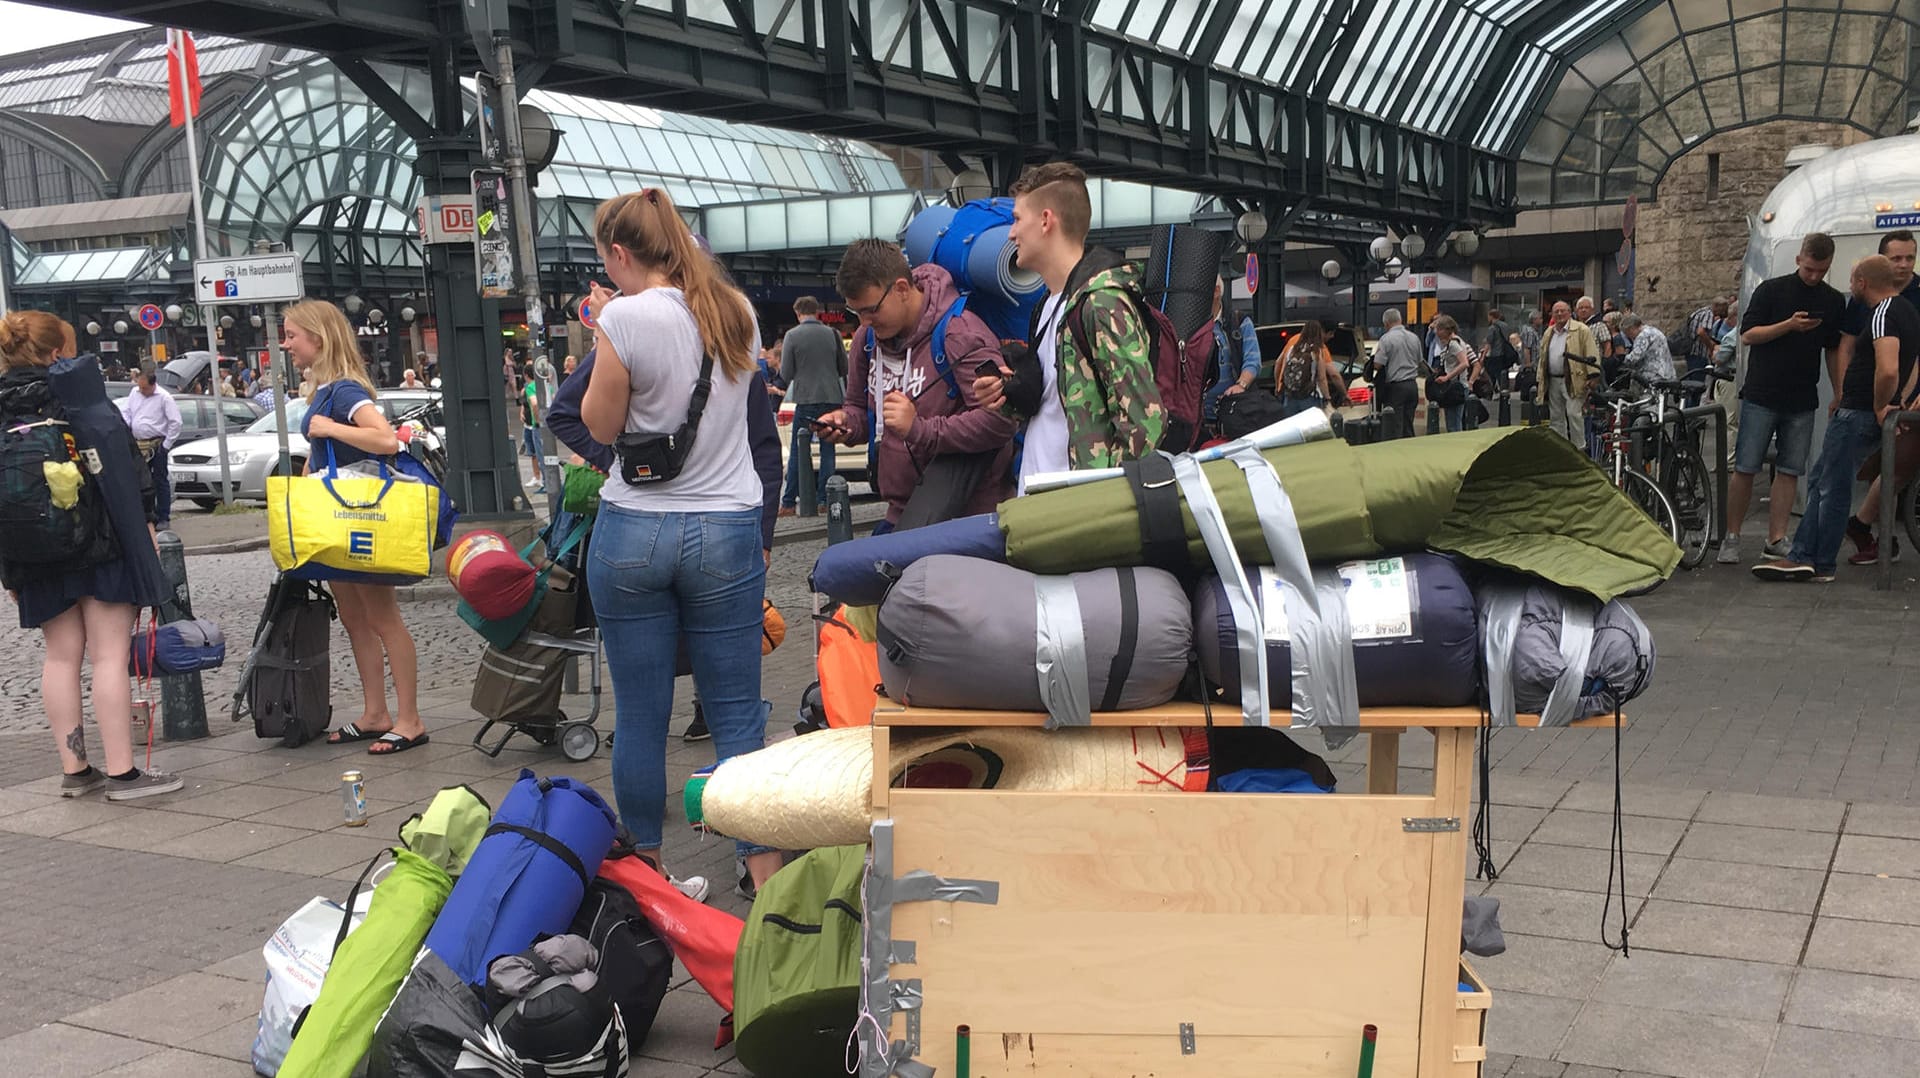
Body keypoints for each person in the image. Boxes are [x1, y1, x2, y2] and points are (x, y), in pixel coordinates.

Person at [577, 187, 782, 900]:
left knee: (640, 712)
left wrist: (605, 333)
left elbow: (600, 426)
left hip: (634, 528)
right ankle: (767, 878)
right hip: (727, 526)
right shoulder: (737, 313)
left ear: (621, 253)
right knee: (735, 711)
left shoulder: (624, 316)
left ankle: (651, 879)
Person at [0, 313, 181, 801]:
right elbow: (126, 465)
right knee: (108, 655)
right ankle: (123, 773)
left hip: (33, 550)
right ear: (57, 353)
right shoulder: (78, 393)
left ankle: (75, 769)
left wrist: (9, 563)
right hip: (101, 543)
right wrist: (144, 529)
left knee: (59, 657)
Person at [280, 301, 427, 756]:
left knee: (382, 618)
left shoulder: (343, 392)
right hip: (338, 515)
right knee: (354, 618)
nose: (286, 346)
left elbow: (385, 439)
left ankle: (409, 720)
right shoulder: (324, 391)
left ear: (318, 340)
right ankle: (375, 713)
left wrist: (328, 428)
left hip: (362, 516)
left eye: (291, 337)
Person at [973, 161, 1162, 487]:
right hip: (1044, 503)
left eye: (1017, 219)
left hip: (1077, 514)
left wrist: (1099, 501)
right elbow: (1055, 409)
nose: (1011, 232)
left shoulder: (1101, 303)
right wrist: (1006, 397)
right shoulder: (1048, 306)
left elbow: (1145, 422)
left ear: (1046, 221)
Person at [816, 239, 1016, 529]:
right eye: (856, 312)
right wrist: (845, 423)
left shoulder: (961, 334)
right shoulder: (867, 341)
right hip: (902, 514)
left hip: (965, 516)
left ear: (900, 288)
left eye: (871, 310)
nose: (864, 322)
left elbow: (1001, 423)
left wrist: (919, 429)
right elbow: (859, 409)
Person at [1754, 255, 1920, 583]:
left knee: (1830, 486)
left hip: (1858, 411)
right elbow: (1911, 365)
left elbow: (1888, 368)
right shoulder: (1907, 312)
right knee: (1823, 481)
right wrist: (1898, 401)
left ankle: (1812, 558)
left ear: (1862, 283)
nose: (1849, 287)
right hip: (1865, 410)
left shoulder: (1883, 314)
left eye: (1852, 280)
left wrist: (1880, 403)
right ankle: (1810, 555)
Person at [1717, 233, 1847, 565]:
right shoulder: (1772, 290)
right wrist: (1788, 325)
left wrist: (1839, 390)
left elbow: (1832, 348)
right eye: (1809, 270)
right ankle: (1732, 535)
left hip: (1803, 395)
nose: (1814, 277)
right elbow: (1748, 334)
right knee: (1746, 466)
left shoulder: (1832, 300)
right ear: (1798, 260)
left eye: (1821, 271)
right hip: (1763, 391)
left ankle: (1776, 537)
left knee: (1790, 469)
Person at [1838, 230, 1920, 564]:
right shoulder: (1865, 296)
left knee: (1898, 466)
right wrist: (1844, 391)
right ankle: (1865, 527)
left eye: (1909, 258)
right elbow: (1846, 344)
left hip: (1908, 395)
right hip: (1876, 399)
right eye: (1895, 258)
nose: (1903, 265)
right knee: (1893, 466)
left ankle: (1864, 525)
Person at [778, 296, 847, 515]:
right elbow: (843, 368)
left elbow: (786, 372)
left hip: (806, 398)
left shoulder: (792, 336)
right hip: (832, 397)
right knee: (828, 450)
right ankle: (825, 501)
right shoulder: (833, 334)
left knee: (800, 450)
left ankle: (789, 502)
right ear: (817, 312)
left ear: (797, 313)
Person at [116, 362, 181, 530]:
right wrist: (128, 426)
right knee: (141, 482)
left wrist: (166, 445)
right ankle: (146, 514)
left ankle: (163, 516)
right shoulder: (135, 393)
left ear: (153, 385)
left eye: (145, 388)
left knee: (160, 480)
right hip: (138, 443)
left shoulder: (164, 397)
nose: (141, 391)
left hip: (156, 443)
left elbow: (175, 422)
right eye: (140, 387)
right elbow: (127, 412)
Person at [1537, 301, 1599, 445]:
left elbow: (1591, 351)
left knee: (1574, 414)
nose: (1559, 314)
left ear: (1570, 313)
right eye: (1556, 311)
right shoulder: (1549, 332)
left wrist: (1593, 375)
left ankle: (1579, 449)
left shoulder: (1581, 330)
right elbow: (1543, 356)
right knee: (1556, 417)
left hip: (1574, 379)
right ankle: (1561, 448)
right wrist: (1540, 377)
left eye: (1562, 311)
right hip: (1553, 379)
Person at [1203, 279, 1261, 423]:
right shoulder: (1190, 325)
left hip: (1234, 411)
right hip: (1199, 416)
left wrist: (1240, 385)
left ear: (1216, 291)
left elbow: (1253, 361)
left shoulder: (1239, 321)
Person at [1372, 309, 1423, 438]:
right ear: (1401, 320)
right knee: (1408, 423)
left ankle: (1398, 454)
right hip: (1412, 385)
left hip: (1396, 387)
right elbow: (1419, 360)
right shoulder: (1414, 337)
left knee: (1396, 426)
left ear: (1386, 324)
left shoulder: (1386, 339)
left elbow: (1378, 364)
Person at [1424, 315, 1474, 432]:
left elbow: (1464, 363)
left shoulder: (1453, 344)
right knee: (1454, 421)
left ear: (1446, 329)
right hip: (1458, 385)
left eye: (1438, 329)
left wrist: (1447, 377)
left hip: (1455, 386)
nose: (1436, 333)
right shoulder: (1458, 341)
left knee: (1453, 424)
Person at [1277, 319, 1332, 418]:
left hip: (1290, 396)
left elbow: (1279, 364)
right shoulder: (1317, 351)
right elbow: (1322, 378)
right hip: (1309, 397)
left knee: (1291, 429)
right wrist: (1327, 397)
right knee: (1310, 430)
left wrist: (1278, 387)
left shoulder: (1292, 349)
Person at [1618, 314, 1675, 386]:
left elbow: (1635, 357)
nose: (1629, 336)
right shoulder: (1653, 330)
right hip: (1666, 371)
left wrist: (1621, 360)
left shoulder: (1643, 336)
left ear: (1631, 328)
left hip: (1653, 374)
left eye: (1627, 333)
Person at [521, 375, 546, 494]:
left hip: (537, 424)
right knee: (546, 453)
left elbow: (534, 403)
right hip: (547, 423)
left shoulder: (530, 387)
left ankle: (546, 482)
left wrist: (537, 421)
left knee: (540, 454)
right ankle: (547, 480)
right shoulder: (547, 385)